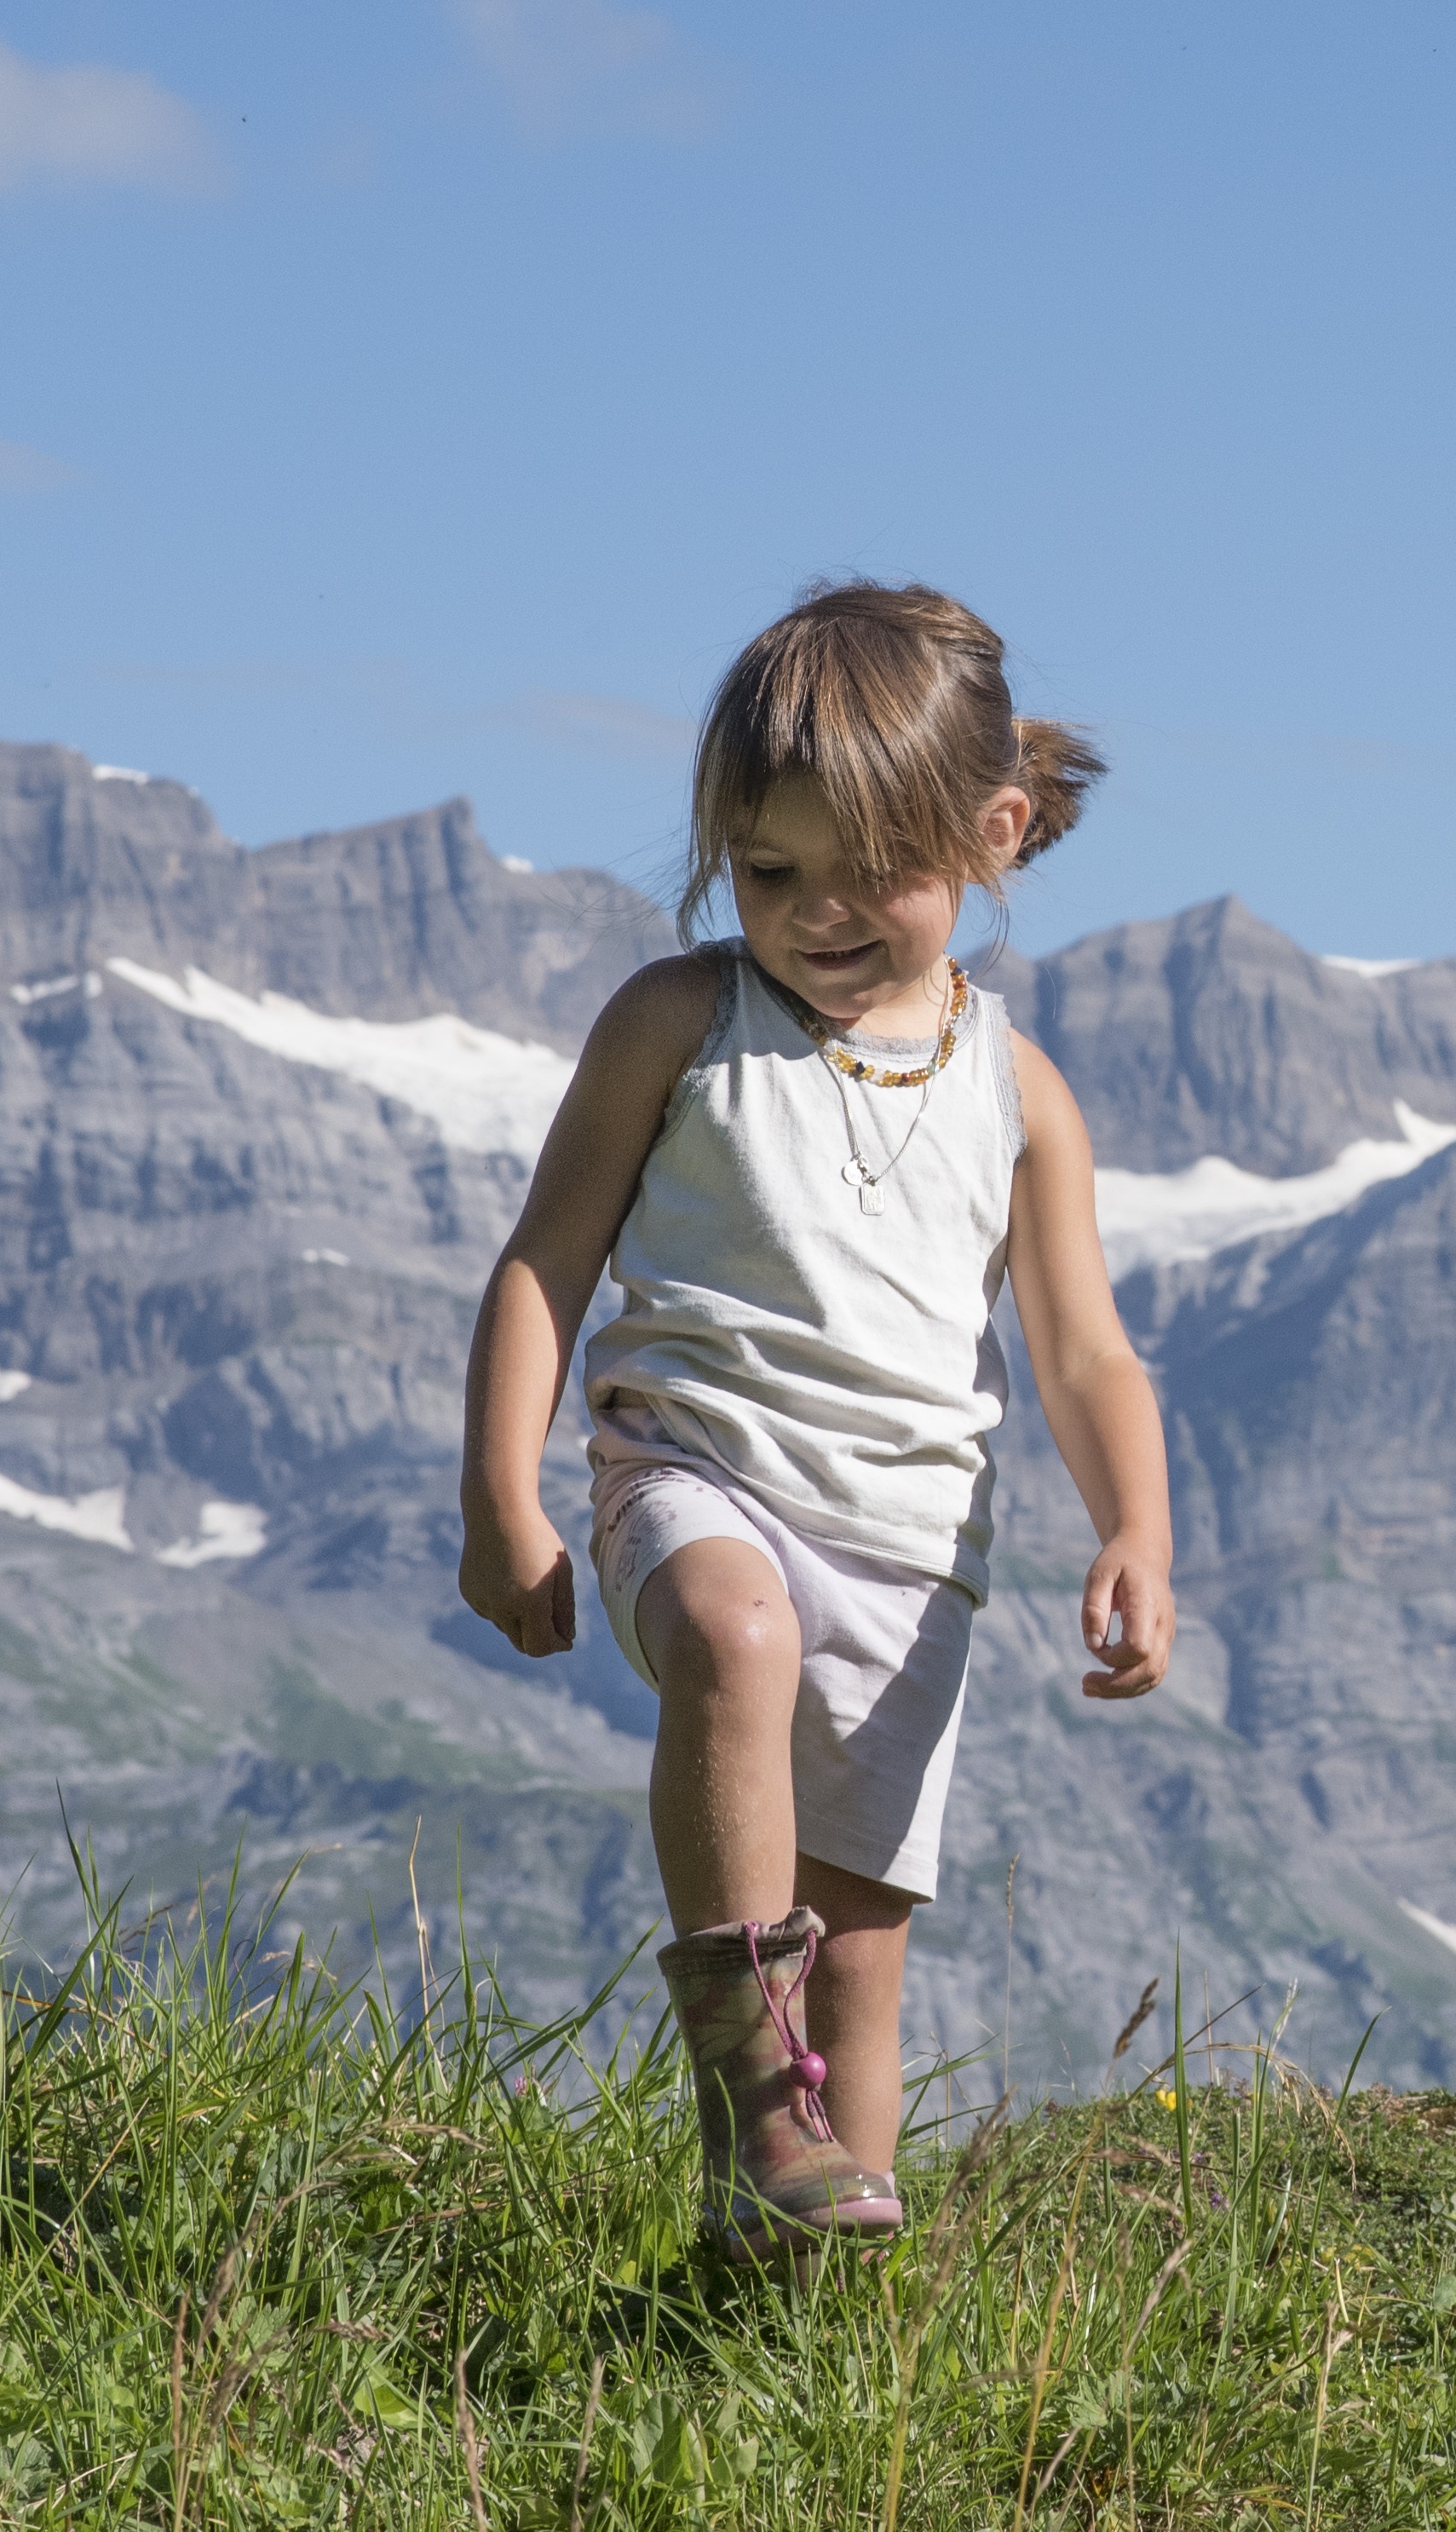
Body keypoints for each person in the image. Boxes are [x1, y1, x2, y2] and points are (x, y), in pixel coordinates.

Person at [456, 578, 1173, 2248]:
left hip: (911, 1559)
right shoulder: (676, 1023)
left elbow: (1083, 1352)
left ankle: (802, 2314)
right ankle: (744, 2090)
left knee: (857, 1969)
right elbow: (543, 1260)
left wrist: (1137, 1522)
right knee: (731, 1632)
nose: (817, 915)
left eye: (876, 876)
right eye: (770, 872)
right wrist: (504, 1494)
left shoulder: (1019, 1092)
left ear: (991, 833)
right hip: (694, 1473)